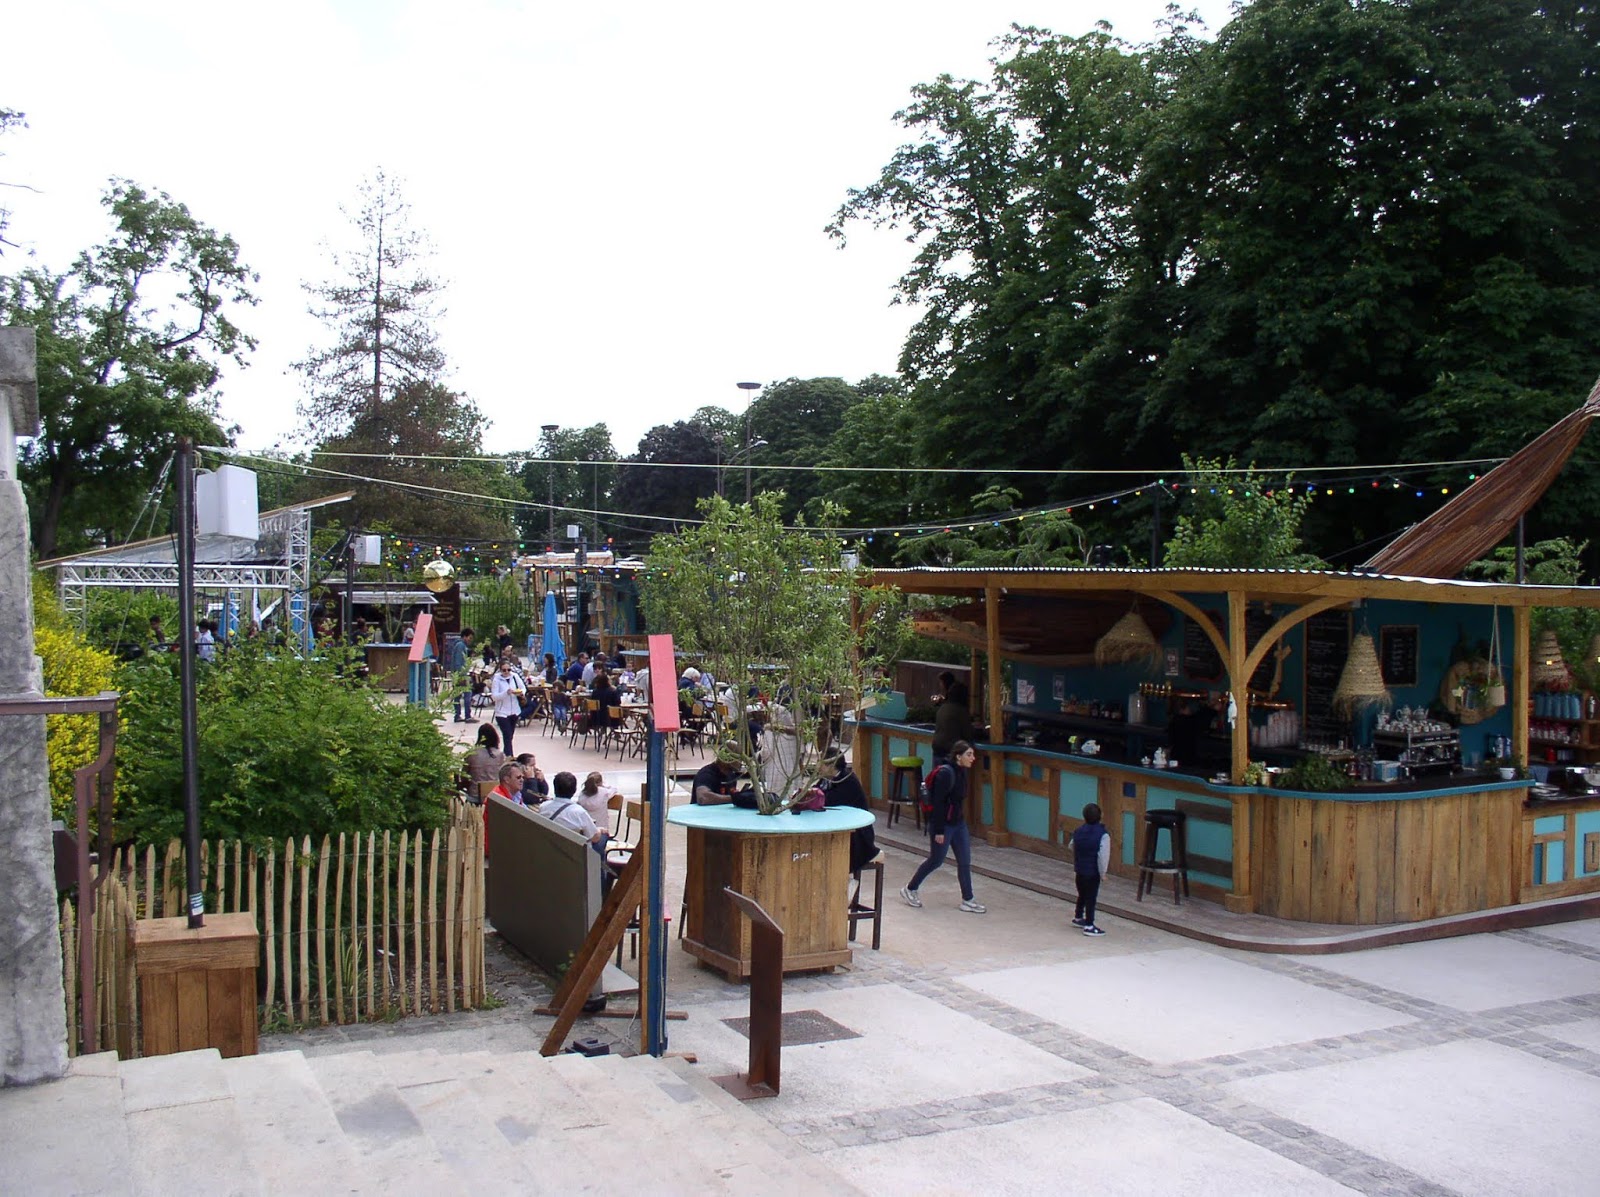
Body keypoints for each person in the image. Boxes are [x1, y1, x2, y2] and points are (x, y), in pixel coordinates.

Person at [901, 741, 985, 913]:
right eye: (969, 755)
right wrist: (939, 831)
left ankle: (968, 899)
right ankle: (910, 888)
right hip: (943, 825)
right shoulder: (946, 774)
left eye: (973, 754)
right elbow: (938, 804)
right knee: (936, 860)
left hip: (958, 823)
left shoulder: (962, 772)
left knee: (964, 861)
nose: (973, 758)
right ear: (958, 756)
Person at [820, 754, 883, 872]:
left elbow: (827, 800)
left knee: (830, 849)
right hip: (839, 825)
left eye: (821, 763)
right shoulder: (827, 778)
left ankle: (840, 877)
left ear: (831, 766)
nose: (818, 766)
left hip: (858, 834)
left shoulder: (848, 780)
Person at [1070, 803, 1111, 936]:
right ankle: (1089, 925)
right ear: (1100, 816)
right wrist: (1103, 873)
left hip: (1079, 869)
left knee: (1081, 894)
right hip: (1092, 872)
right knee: (1091, 898)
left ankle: (1078, 917)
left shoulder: (1078, 831)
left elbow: (1072, 845)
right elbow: (1102, 856)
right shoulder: (1103, 835)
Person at [490, 659, 526, 760]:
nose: (506, 672)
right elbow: (494, 696)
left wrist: (520, 692)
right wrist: (506, 693)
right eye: (504, 670)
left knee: (510, 736)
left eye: (508, 670)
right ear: (500, 670)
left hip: (514, 710)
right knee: (507, 734)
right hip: (502, 712)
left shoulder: (515, 676)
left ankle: (506, 756)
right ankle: (510, 756)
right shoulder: (496, 679)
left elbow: (523, 687)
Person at [932, 681, 975, 759]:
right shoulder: (961, 710)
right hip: (951, 750)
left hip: (937, 748)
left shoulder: (943, 708)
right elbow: (968, 734)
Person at [445, 628, 476, 722]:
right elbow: (458, 662)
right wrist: (462, 675)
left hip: (457, 674)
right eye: (470, 638)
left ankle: (457, 715)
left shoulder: (459, 645)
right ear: (465, 636)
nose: (470, 640)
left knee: (457, 695)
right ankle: (467, 716)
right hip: (461, 675)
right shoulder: (461, 646)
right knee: (467, 694)